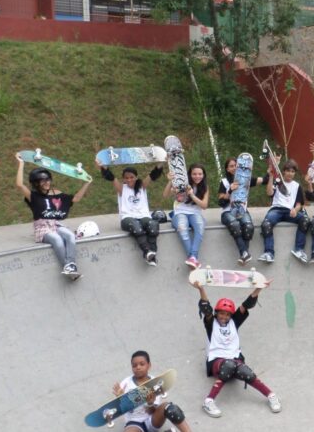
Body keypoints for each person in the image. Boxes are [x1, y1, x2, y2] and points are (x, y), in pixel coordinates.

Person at [191, 280, 282, 417]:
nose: (224, 317)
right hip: (217, 361)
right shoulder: (211, 322)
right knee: (229, 364)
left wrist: (258, 289)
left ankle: (270, 395)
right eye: (221, 313)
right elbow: (206, 308)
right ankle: (208, 401)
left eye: (227, 314)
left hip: (235, 360)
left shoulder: (234, 321)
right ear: (217, 313)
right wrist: (201, 289)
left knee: (247, 372)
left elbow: (246, 305)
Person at [14, 153, 91, 279]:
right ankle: (68, 268)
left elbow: (75, 198)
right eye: (43, 181)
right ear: (36, 183)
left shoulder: (56, 193)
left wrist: (87, 183)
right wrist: (21, 164)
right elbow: (19, 185)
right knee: (57, 240)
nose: (47, 183)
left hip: (56, 224)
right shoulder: (33, 196)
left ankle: (71, 265)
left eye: (48, 180)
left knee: (70, 236)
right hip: (42, 228)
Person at [98, 162, 164, 266]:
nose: (129, 180)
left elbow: (153, 174)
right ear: (123, 179)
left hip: (143, 216)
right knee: (136, 226)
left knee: (153, 225)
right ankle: (147, 252)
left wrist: (162, 162)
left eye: (132, 177)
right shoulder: (121, 188)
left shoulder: (142, 186)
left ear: (136, 177)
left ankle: (152, 253)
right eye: (126, 178)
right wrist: (103, 166)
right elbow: (111, 176)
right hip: (127, 218)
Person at [111, 350, 193, 432]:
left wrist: (150, 404)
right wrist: (121, 399)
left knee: (170, 408)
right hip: (134, 423)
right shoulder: (126, 383)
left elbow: (153, 411)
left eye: (142, 364)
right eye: (134, 365)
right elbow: (123, 410)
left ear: (149, 365)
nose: (138, 367)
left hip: (152, 420)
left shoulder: (155, 382)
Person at [218, 156, 269, 265]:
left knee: (248, 226)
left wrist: (271, 167)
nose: (234, 168)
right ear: (227, 169)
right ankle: (244, 252)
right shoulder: (224, 182)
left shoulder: (247, 180)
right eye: (231, 166)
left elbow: (265, 180)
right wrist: (230, 191)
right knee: (235, 225)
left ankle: (244, 255)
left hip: (241, 210)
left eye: (236, 165)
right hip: (227, 211)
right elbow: (221, 202)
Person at [258, 158, 309, 263]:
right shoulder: (278, 182)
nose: (290, 174)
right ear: (284, 171)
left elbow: (299, 203)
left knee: (305, 220)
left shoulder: (297, 186)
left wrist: (295, 210)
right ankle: (269, 253)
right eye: (288, 171)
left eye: (293, 171)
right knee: (266, 224)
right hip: (276, 209)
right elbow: (269, 193)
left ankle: (299, 250)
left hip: (289, 211)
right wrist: (271, 176)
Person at [163, 163, 209, 270]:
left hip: (195, 213)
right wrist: (170, 181)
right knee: (182, 229)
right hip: (180, 212)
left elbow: (204, 206)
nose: (197, 176)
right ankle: (193, 257)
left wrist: (192, 195)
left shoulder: (204, 187)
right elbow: (165, 195)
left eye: (200, 174)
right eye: (194, 174)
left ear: (203, 175)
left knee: (200, 228)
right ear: (189, 174)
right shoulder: (181, 184)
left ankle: (192, 257)